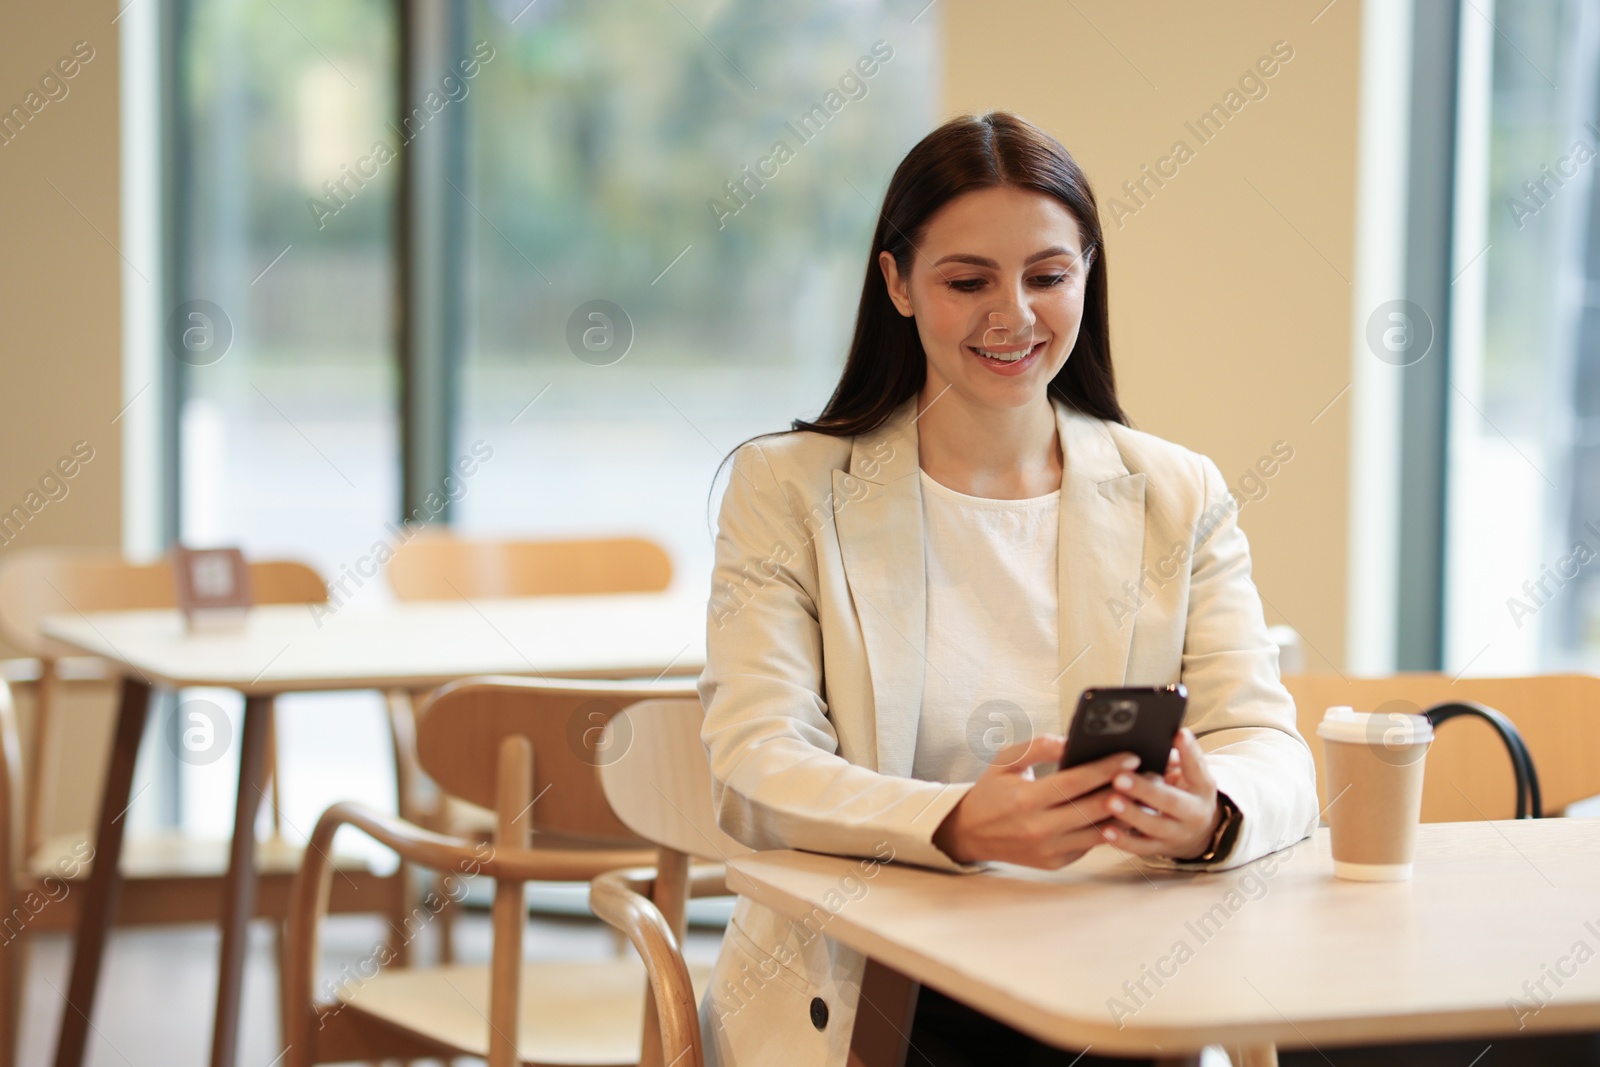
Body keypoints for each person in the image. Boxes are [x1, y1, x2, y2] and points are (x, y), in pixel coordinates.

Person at [697, 110, 1319, 1067]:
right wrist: (951, 819)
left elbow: (1268, 743)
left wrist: (1213, 815)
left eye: (1047, 276)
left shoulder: (1176, 491)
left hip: (1117, 981)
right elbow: (755, 763)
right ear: (898, 283)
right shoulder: (785, 488)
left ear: (1086, 276)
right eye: (967, 280)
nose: (1015, 315)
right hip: (872, 992)